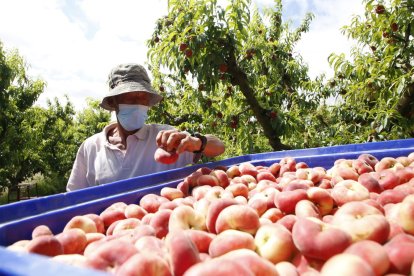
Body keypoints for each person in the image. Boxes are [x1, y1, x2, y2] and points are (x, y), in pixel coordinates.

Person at [66, 63, 225, 191]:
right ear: (114, 102)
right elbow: (73, 199)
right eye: (130, 97)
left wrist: (198, 142)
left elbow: (219, 147)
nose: (138, 104)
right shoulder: (91, 148)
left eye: (143, 99)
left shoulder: (166, 138)